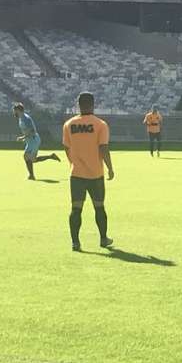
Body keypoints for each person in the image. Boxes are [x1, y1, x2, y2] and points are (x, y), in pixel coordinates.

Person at [62, 92, 114, 252]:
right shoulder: (100, 125)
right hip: (95, 174)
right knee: (99, 207)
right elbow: (103, 147)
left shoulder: (69, 124)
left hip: (76, 174)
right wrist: (110, 168)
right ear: (93, 104)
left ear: (78, 104)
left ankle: (75, 242)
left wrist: (73, 162)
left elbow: (66, 147)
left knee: (76, 208)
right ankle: (103, 239)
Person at [13, 103, 60, 180]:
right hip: (30, 140)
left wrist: (23, 137)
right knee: (31, 159)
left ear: (19, 110)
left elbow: (32, 131)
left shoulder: (26, 118)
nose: (14, 112)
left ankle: (31, 176)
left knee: (27, 157)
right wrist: (25, 138)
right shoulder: (21, 118)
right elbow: (27, 131)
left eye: (15, 111)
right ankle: (51, 156)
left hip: (34, 140)